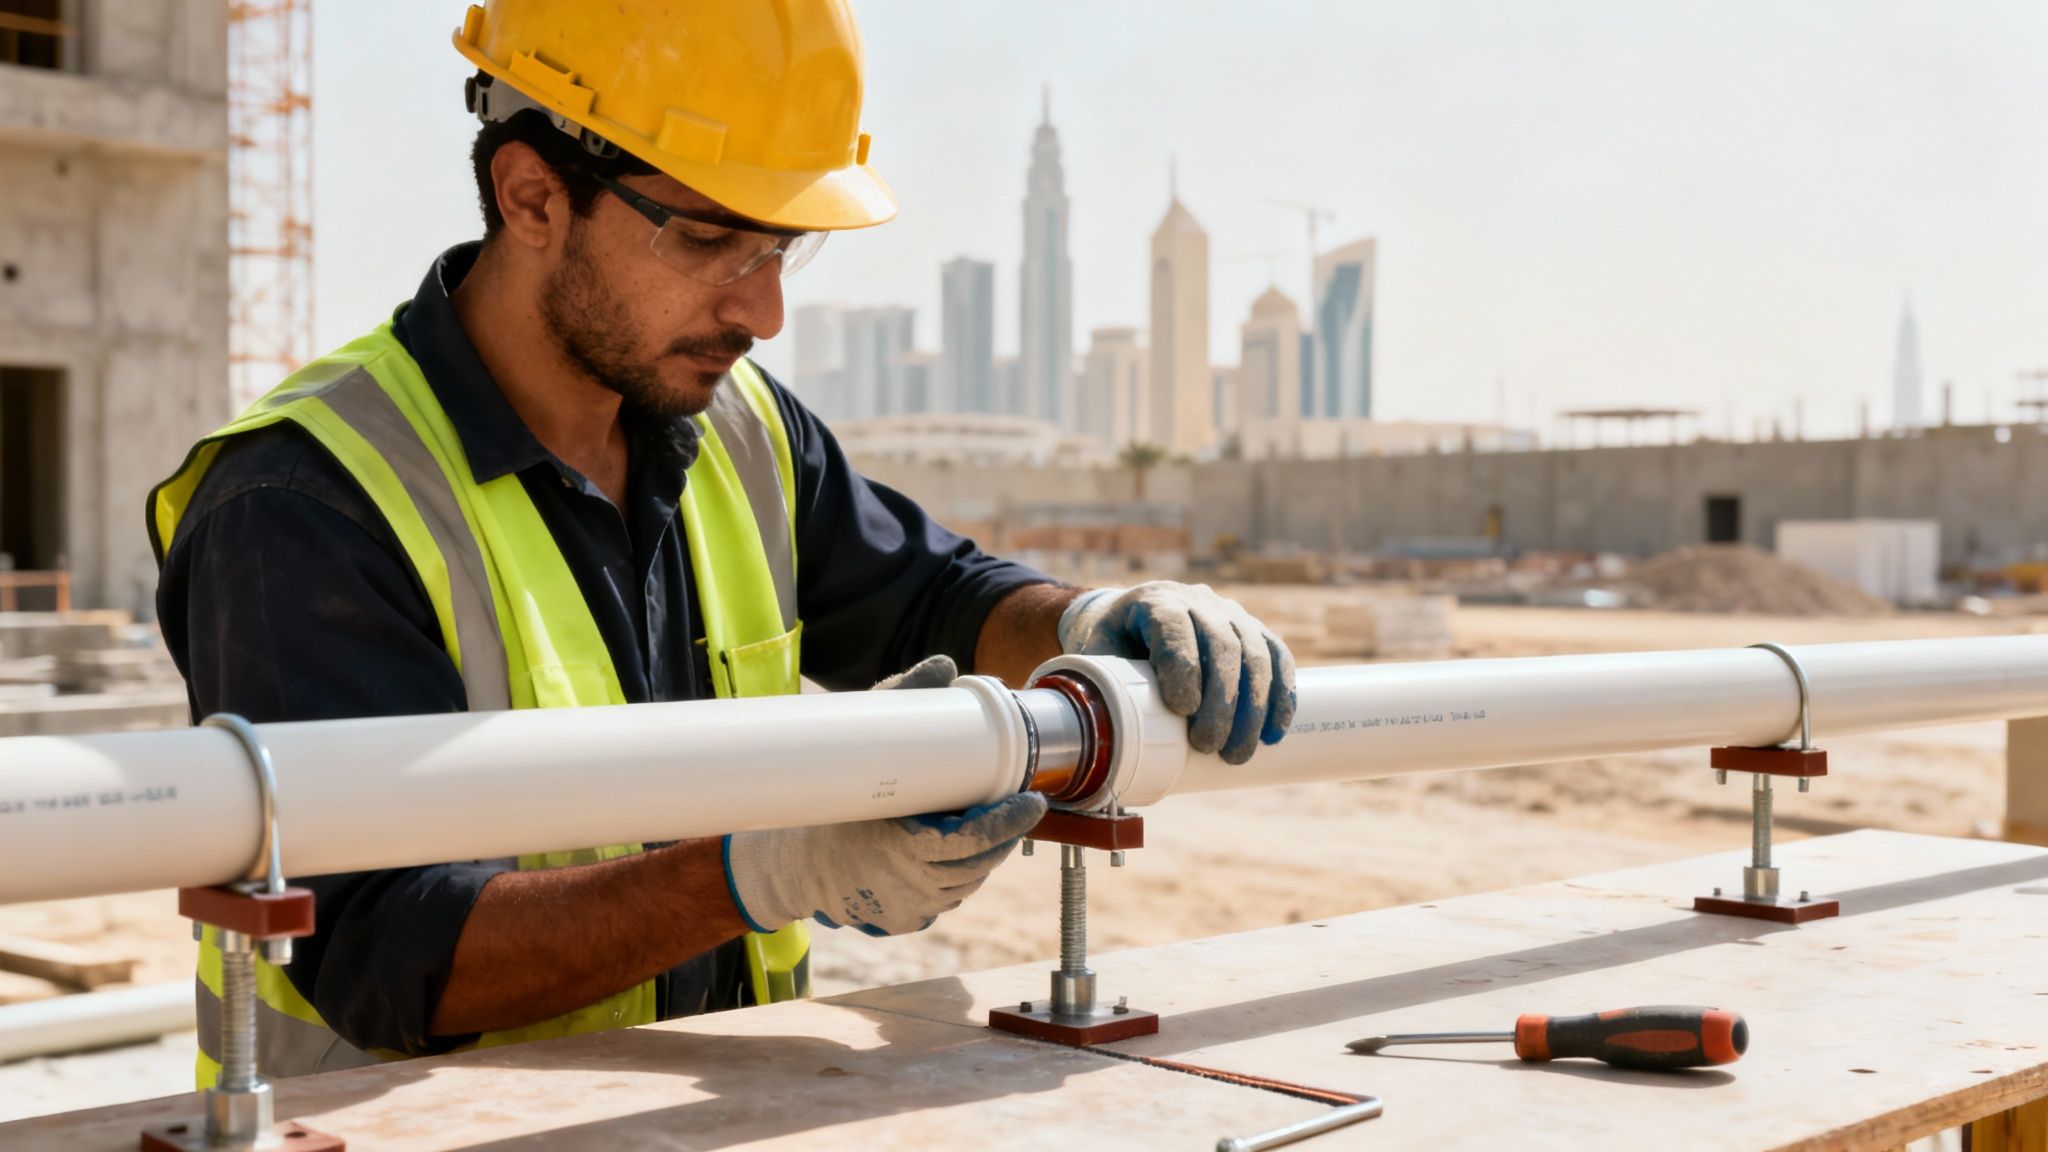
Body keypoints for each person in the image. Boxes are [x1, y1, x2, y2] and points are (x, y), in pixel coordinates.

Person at [150, 0, 1294, 1083]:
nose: (762, 313)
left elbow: (934, 597)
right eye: (710, 240)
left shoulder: (740, 431)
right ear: (532, 195)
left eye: (782, 250)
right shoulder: (304, 502)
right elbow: (379, 951)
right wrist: (768, 869)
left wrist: (1088, 621)